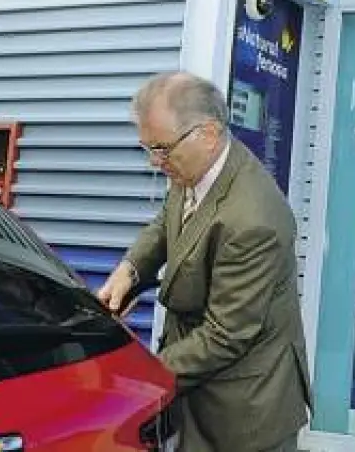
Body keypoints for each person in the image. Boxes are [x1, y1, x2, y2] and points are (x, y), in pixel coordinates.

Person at [97, 71, 311, 452]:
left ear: (209, 134)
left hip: (244, 414)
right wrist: (130, 270)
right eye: (147, 148)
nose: (155, 162)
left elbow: (225, 336)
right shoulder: (192, 166)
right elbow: (168, 222)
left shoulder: (253, 220)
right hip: (196, 390)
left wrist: (137, 378)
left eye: (161, 149)